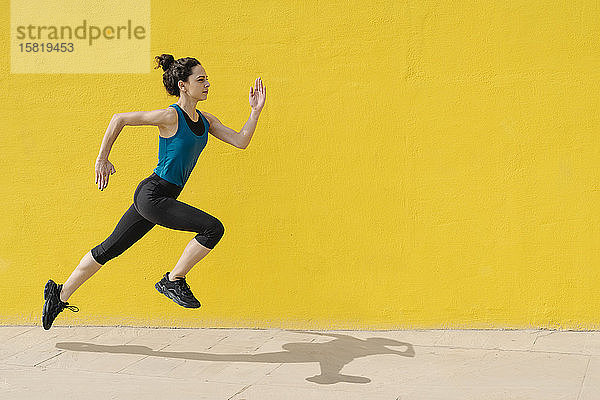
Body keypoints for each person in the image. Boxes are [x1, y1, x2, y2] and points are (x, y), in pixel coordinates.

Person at [42, 54, 266, 330]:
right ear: (183, 85)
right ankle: (173, 280)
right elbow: (119, 119)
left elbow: (240, 141)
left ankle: (59, 294)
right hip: (153, 195)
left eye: (207, 79)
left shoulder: (206, 121)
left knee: (108, 249)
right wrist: (102, 158)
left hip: (160, 197)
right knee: (212, 229)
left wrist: (254, 111)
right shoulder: (170, 116)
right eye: (201, 79)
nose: (207, 83)